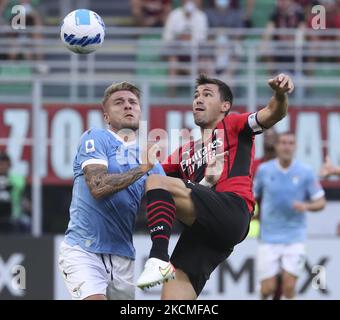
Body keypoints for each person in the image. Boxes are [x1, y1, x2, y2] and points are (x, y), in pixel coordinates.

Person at [136, 73, 294, 299]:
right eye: (196, 95)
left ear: (224, 106)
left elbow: (273, 113)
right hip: (204, 229)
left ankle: (158, 257)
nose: (198, 99)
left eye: (207, 95)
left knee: (157, 181)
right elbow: (151, 177)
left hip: (233, 209)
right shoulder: (184, 152)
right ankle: (162, 262)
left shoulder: (234, 124)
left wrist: (280, 94)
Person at [58, 82, 164, 300]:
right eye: (119, 102)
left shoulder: (147, 156)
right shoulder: (96, 137)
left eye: (133, 102)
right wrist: (142, 168)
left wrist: (207, 183)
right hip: (83, 249)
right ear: (106, 116)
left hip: (123, 256)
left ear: (140, 111)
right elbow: (98, 187)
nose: (128, 106)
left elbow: (174, 200)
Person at [254, 132, 326, 300]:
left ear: (295, 147)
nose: (287, 146)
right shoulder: (264, 170)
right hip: (269, 237)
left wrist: (306, 206)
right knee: (267, 289)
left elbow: (320, 202)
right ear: (277, 146)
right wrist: (252, 214)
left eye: (291, 143)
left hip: (295, 237)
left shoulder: (306, 172)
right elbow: (252, 195)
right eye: (284, 143)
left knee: (289, 287)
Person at [0, 151, 29, 233]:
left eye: (4, 164)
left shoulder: (16, 179)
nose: (1, 166)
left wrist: (8, 183)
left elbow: (22, 192)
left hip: (13, 217)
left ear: (9, 165)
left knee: (26, 222)